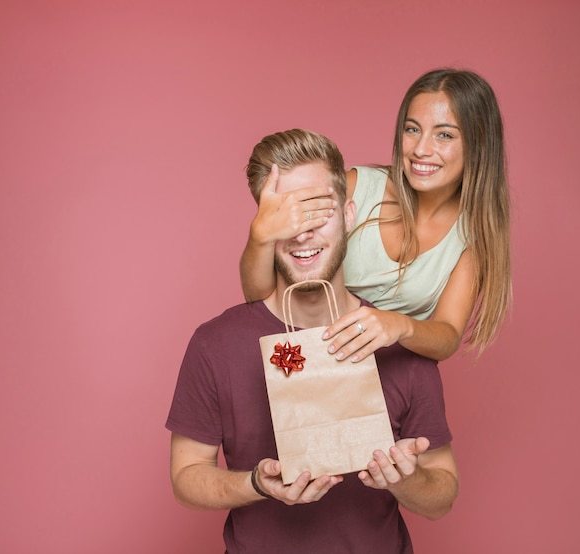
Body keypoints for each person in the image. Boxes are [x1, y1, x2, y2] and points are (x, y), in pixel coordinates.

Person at [167, 129, 458, 553]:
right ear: (262, 227)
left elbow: (442, 496)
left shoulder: (398, 340)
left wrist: (407, 479)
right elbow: (186, 477)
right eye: (285, 215)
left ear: (349, 213)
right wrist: (255, 484)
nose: (302, 233)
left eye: (317, 211)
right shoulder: (216, 345)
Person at [239, 68, 511, 363]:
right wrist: (261, 235)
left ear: (478, 144)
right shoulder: (356, 189)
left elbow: (447, 335)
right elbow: (261, 300)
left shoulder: (472, 236)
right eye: (412, 129)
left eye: (444, 135)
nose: (421, 149)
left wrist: (399, 325)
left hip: (384, 379)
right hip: (304, 362)